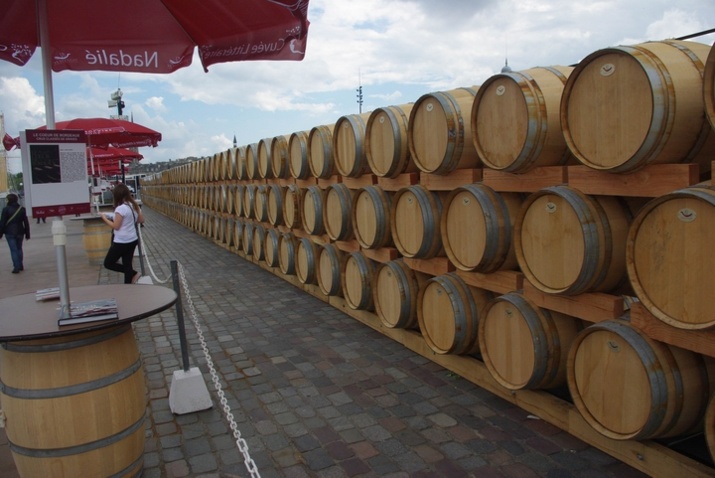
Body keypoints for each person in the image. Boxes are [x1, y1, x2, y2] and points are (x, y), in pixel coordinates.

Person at [101, 184, 145, 284]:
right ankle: (128, 284)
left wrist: (104, 218)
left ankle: (133, 274)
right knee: (127, 263)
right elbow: (141, 220)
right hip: (132, 239)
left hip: (121, 241)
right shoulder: (133, 205)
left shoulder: (120, 208)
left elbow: (116, 226)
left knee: (108, 263)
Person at [0, 193, 31, 273]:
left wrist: (0, 233)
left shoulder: (5, 209)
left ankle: (16, 267)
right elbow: (26, 222)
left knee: (13, 249)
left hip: (9, 232)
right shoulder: (22, 209)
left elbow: (2, 222)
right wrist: (27, 233)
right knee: (19, 248)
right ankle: (20, 265)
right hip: (20, 231)